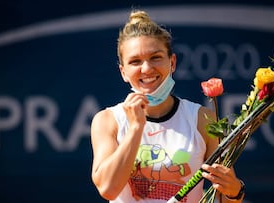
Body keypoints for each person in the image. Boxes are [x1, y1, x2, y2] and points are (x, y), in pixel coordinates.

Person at [90, 9, 245, 203]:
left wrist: (234, 191)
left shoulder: (201, 119)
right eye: (135, 61)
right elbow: (108, 189)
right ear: (123, 72)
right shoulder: (107, 120)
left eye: (155, 57)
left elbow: (224, 196)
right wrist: (136, 128)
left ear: (172, 62)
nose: (146, 68)